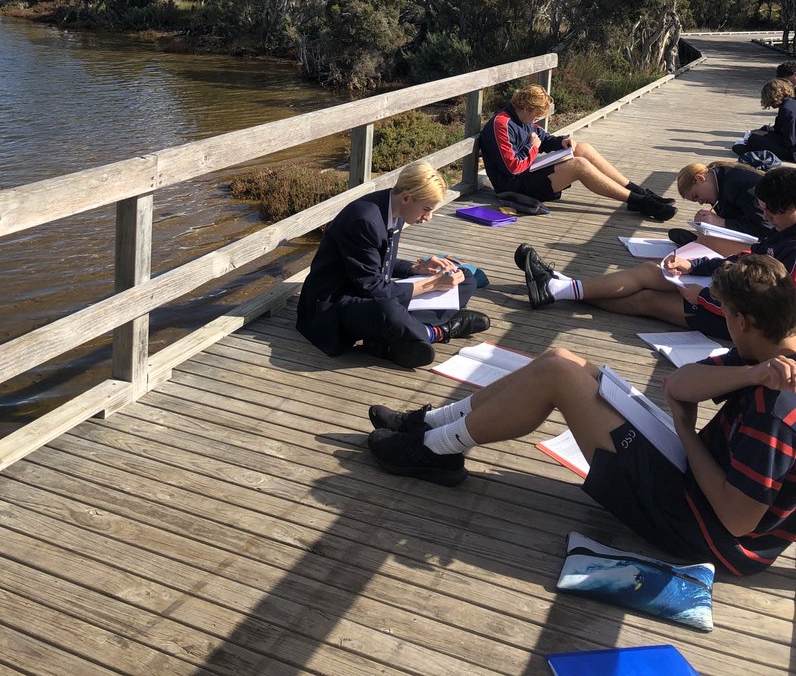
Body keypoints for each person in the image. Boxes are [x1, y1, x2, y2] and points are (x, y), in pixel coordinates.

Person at [367, 253, 796, 576]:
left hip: (700, 528)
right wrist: (751, 372)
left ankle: (434, 449)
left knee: (558, 375)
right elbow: (679, 385)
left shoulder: (777, 407)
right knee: (562, 357)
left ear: (744, 320)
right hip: (694, 481)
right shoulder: (764, 361)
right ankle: (432, 425)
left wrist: (685, 430)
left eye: (725, 314)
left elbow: (738, 522)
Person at [515, 167, 796, 341]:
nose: (767, 217)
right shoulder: (781, 230)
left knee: (648, 300)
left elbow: (776, 313)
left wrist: (704, 297)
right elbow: (743, 261)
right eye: (764, 209)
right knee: (652, 271)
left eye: (773, 211)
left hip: (742, 321)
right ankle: (559, 287)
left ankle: (559, 286)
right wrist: (693, 264)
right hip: (729, 292)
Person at [296, 160, 490, 369]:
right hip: (334, 306)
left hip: (367, 292)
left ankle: (393, 338)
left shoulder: (394, 211)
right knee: (387, 307)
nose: (429, 217)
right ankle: (438, 331)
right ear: (406, 198)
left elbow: (374, 264)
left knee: (465, 278)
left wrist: (417, 269)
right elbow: (373, 288)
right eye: (426, 209)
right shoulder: (364, 220)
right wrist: (433, 284)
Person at [478, 84, 675, 221]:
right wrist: (533, 148)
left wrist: (562, 141)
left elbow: (543, 138)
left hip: (527, 174)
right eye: (537, 114)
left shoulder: (524, 120)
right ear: (527, 108)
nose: (538, 118)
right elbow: (512, 167)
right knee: (579, 166)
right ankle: (641, 202)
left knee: (582, 148)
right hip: (512, 187)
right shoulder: (501, 124)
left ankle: (639, 192)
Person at [668, 159, 770, 252]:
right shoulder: (718, 185)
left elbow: (765, 228)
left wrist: (721, 222)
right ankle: (704, 244)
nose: (700, 202)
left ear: (700, 178)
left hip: (772, 242)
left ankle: (704, 244)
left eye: (696, 196)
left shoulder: (741, 185)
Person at [733, 78, 796, 163]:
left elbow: (789, 141)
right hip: (790, 146)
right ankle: (750, 148)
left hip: (791, 152)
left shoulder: (787, 110)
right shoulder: (790, 104)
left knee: (753, 139)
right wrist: (766, 131)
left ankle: (750, 150)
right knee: (764, 130)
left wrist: (766, 135)